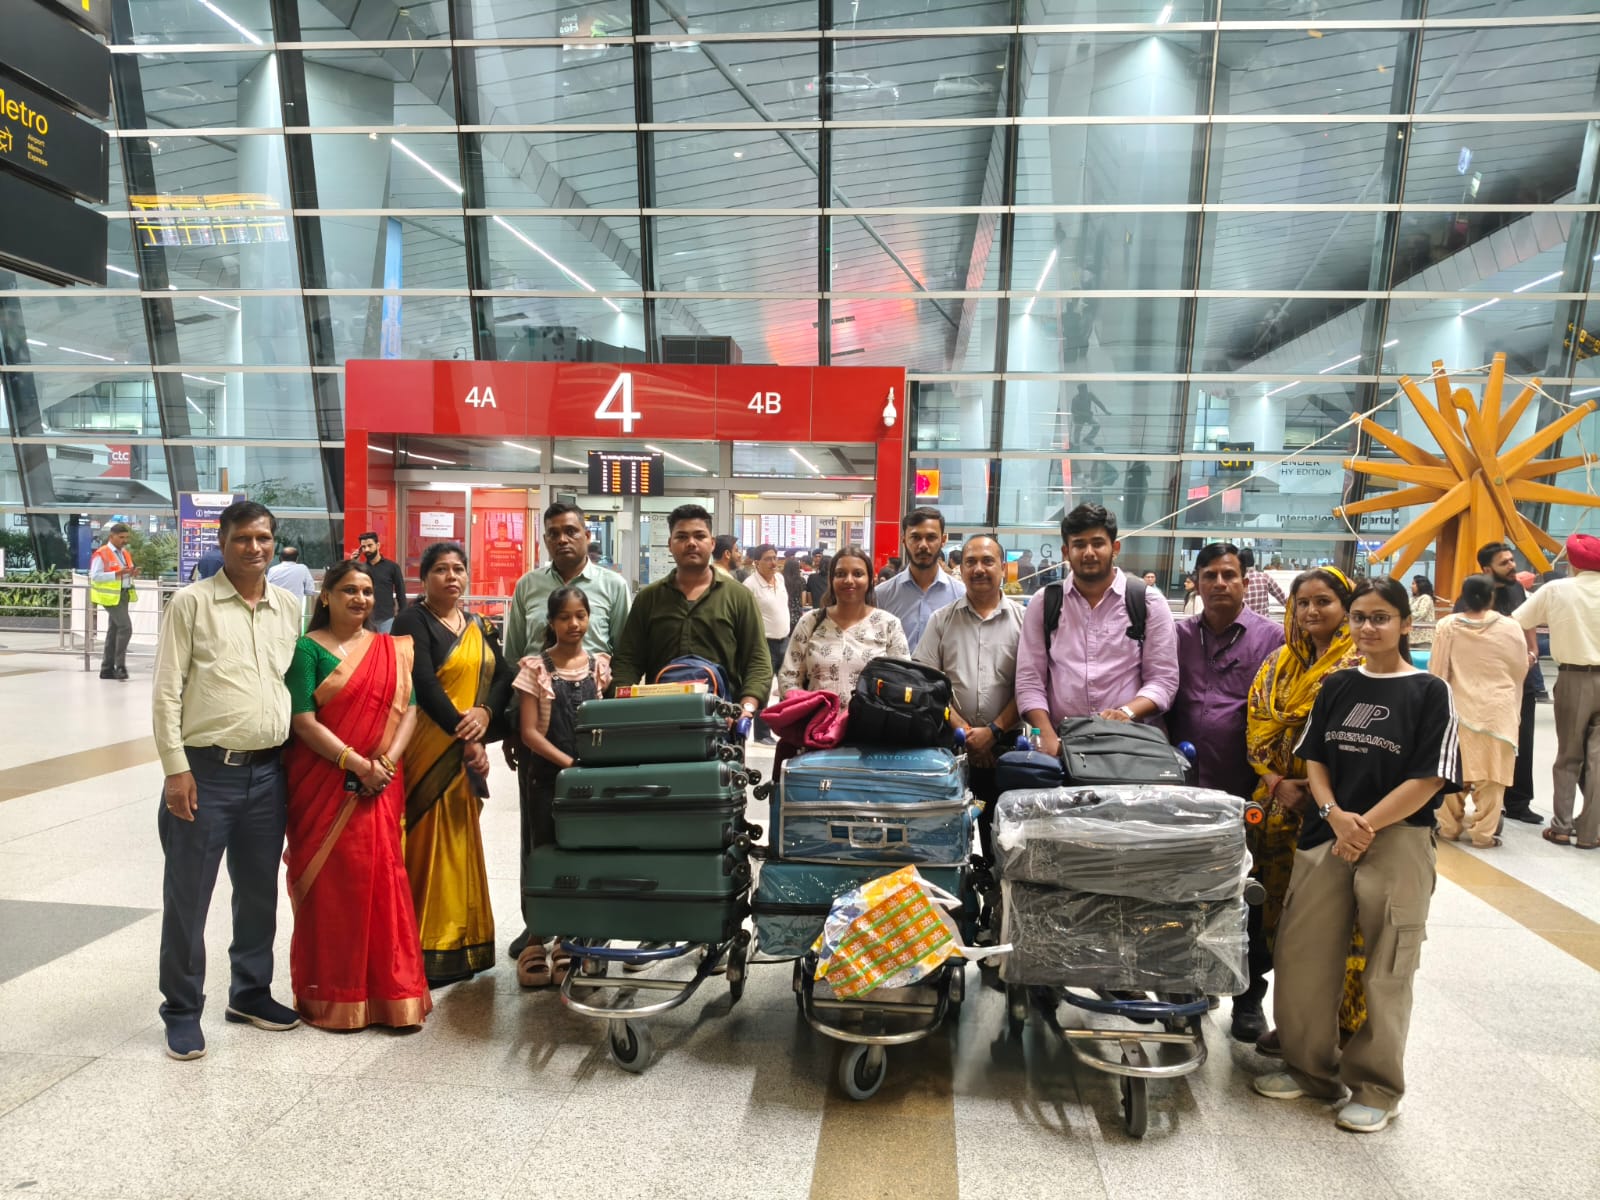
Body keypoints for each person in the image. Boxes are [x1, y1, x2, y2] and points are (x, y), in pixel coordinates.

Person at [1254, 576, 1459, 1135]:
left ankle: (1377, 1087)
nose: (1368, 627)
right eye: (1361, 617)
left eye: (1381, 617)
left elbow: (1431, 776)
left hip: (1398, 839)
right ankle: (1310, 1070)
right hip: (1329, 833)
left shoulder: (1429, 692)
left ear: (1405, 623)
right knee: (1304, 953)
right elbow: (1315, 758)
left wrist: (1366, 825)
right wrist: (1334, 814)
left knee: (1388, 965)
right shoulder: (1339, 685)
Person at [152, 500, 303, 1061]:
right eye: (242, 538)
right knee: (188, 897)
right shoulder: (191, 603)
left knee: (259, 892)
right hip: (205, 773)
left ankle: (250, 993)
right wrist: (175, 769)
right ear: (222, 542)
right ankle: (181, 1010)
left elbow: (295, 683)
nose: (254, 547)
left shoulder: (289, 606)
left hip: (268, 774)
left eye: (263, 537)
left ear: (274, 543)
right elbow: (166, 691)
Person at [282, 561, 430, 1029]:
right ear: (326, 596)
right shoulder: (308, 649)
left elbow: (410, 709)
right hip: (325, 786)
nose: (360, 599)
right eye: (349, 590)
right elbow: (302, 720)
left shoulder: (391, 648)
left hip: (381, 784)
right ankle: (335, 995)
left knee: (385, 881)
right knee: (334, 888)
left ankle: (394, 993)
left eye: (367, 591)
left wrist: (384, 764)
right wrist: (355, 763)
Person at [501, 503, 632, 959]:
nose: (563, 538)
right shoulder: (528, 586)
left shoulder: (612, 586)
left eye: (571, 530)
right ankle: (537, 924)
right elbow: (512, 656)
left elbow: (624, 656)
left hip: (595, 734)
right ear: (545, 538)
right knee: (537, 832)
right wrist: (512, 728)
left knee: (594, 833)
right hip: (539, 725)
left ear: (587, 535)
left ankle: (589, 925)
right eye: (554, 532)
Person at [1243, 568, 1365, 1056]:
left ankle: (1336, 1035)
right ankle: (1293, 1025)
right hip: (1276, 808)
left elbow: (1353, 743)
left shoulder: (1359, 666)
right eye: (1303, 603)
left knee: (1332, 929)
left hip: (1333, 814)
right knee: (1281, 926)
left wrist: (1317, 792)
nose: (1312, 611)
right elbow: (1256, 724)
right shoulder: (1279, 662)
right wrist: (1275, 781)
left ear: (1346, 607)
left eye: (1324, 601)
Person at [1167, 543, 1285, 1040]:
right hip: (1181, 791)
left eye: (1229, 575)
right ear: (1195, 582)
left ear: (1245, 581)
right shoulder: (1176, 635)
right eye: (1210, 575)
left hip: (1245, 791)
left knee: (1246, 895)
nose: (1219, 583)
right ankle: (1186, 989)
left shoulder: (1271, 638)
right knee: (1182, 894)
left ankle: (1249, 998)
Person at [392, 542, 515, 986]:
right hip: (427, 748)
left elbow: (505, 674)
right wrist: (465, 737)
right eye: (441, 569)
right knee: (425, 843)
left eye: (458, 569)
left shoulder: (478, 624)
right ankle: (421, 949)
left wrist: (484, 713)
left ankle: (461, 944)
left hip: (464, 748)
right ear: (424, 578)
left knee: (459, 840)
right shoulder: (412, 620)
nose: (451, 577)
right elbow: (422, 683)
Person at [1014, 504, 1179, 757]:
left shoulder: (1147, 603)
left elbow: (1163, 679)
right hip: (1063, 746)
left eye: (1098, 543)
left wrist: (1126, 713)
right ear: (1066, 552)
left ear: (1115, 548)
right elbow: (1029, 680)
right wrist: (1047, 736)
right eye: (1079, 544)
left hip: (1133, 747)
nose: (1089, 552)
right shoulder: (1045, 603)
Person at [512, 586, 611, 987]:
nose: (574, 624)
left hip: (587, 780)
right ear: (551, 622)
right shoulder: (535, 668)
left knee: (580, 857)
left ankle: (569, 937)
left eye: (580, 616)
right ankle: (536, 937)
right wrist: (570, 764)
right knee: (543, 855)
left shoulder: (598, 666)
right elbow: (530, 733)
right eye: (565, 617)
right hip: (547, 778)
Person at [612, 503, 773, 729]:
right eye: (681, 537)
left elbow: (758, 660)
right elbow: (628, 660)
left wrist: (746, 708)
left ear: (712, 543)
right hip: (660, 722)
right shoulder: (649, 598)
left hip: (723, 723)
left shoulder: (738, 596)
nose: (691, 543)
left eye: (699, 536)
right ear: (670, 544)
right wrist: (621, 706)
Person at [913, 535, 1024, 860]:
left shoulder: (1025, 621)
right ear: (960, 569)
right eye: (970, 562)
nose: (978, 569)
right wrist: (964, 730)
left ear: (1003, 567)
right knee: (942, 842)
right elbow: (925, 683)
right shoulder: (942, 619)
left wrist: (993, 732)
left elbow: (1031, 687)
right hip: (951, 750)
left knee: (1002, 845)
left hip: (1005, 751)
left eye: (987, 561)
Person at [1514, 532, 1600, 849]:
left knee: (1569, 757)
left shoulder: (1557, 589)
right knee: (1597, 761)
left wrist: (1532, 650)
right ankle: (1590, 833)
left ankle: (1562, 827)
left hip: (1574, 678)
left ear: (1572, 563)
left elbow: (1518, 620)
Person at [1429, 575, 1527, 849]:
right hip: (1498, 712)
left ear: (1462, 595)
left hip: (1457, 712)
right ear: (1492, 597)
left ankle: (1449, 828)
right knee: (1493, 778)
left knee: (1451, 774)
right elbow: (1520, 668)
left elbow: (1438, 672)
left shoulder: (1447, 626)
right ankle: (1483, 836)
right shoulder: (1511, 627)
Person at [777, 546, 909, 701]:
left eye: (858, 574)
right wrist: (809, 707)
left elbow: (903, 682)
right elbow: (788, 677)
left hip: (870, 717)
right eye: (840, 574)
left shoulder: (889, 625)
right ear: (831, 580)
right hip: (817, 716)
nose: (848, 580)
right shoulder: (810, 622)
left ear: (870, 579)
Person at [1480, 542, 1543, 824]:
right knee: (1487, 742)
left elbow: (1527, 619)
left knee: (1523, 739)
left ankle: (1518, 802)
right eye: (1504, 562)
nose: (1512, 565)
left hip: (1520, 678)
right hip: (1488, 682)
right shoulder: (1475, 590)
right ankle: (1486, 804)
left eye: (1511, 560)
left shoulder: (1517, 588)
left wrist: (1533, 651)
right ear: (1487, 569)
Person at [876, 507, 966, 653]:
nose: (923, 545)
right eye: (915, 537)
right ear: (904, 540)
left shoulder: (961, 596)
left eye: (931, 537)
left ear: (943, 540)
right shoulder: (882, 595)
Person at [744, 544, 791, 745]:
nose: (773, 562)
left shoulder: (779, 579)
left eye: (775, 558)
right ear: (756, 563)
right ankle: (762, 733)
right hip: (764, 643)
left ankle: (783, 727)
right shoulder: (749, 585)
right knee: (762, 688)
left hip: (785, 641)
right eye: (768, 559)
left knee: (787, 686)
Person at [90, 522, 136, 681]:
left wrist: (131, 573)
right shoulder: (102, 553)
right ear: (111, 537)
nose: (125, 540)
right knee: (125, 627)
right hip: (110, 597)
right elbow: (95, 576)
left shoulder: (124, 553)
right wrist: (117, 574)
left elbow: (124, 571)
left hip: (122, 595)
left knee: (114, 631)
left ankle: (107, 668)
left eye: (126, 537)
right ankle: (120, 665)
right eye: (121, 537)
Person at [356, 531, 408, 633]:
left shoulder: (392, 567)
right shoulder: (361, 568)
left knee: (386, 643)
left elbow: (400, 592)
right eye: (363, 547)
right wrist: (353, 563)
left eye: (370, 545)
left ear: (378, 545)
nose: (366, 549)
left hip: (386, 619)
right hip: (366, 618)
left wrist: (402, 615)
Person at [268, 546, 318, 631]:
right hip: (295, 610)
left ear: (280, 558)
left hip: (275, 609)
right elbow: (310, 591)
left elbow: (266, 588)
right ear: (297, 558)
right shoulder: (303, 568)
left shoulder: (273, 570)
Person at [1240, 547, 1286, 614]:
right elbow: (1284, 599)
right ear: (1253, 561)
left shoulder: (1238, 581)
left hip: (1244, 620)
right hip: (1262, 620)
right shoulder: (1265, 578)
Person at [1068, 382, 1110, 448]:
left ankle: (1088, 438)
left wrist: (1105, 411)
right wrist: (1084, 414)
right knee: (1077, 431)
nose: (1085, 393)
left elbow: (1098, 402)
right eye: (1083, 391)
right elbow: (1073, 410)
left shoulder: (1089, 395)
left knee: (1096, 426)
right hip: (1079, 418)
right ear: (1080, 391)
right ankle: (1076, 444)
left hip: (1087, 416)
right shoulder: (1075, 399)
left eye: (1086, 390)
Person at [1407, 575, 1436, 650]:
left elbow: (1420, 614)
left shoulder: (1426, 598)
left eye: (1413, 584)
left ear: (1421, 585)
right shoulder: (1412, 599)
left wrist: (1404, 616)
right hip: (1412, 638)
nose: (1411, 586)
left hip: (1424, 638)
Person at [1124, 458, 1151, 526]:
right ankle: (1134, 519)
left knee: (1138, 505)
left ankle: (1136, 519)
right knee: (1135, 505)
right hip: (1137, 488)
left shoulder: (1141, 467)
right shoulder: (1137, 467)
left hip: (1139, 489)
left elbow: (1149, 473)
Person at [783, 554, 808, 627]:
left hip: (784, 615)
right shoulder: (801, 581)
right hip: (797, 616)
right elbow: (803, 602)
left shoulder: (781, 581)